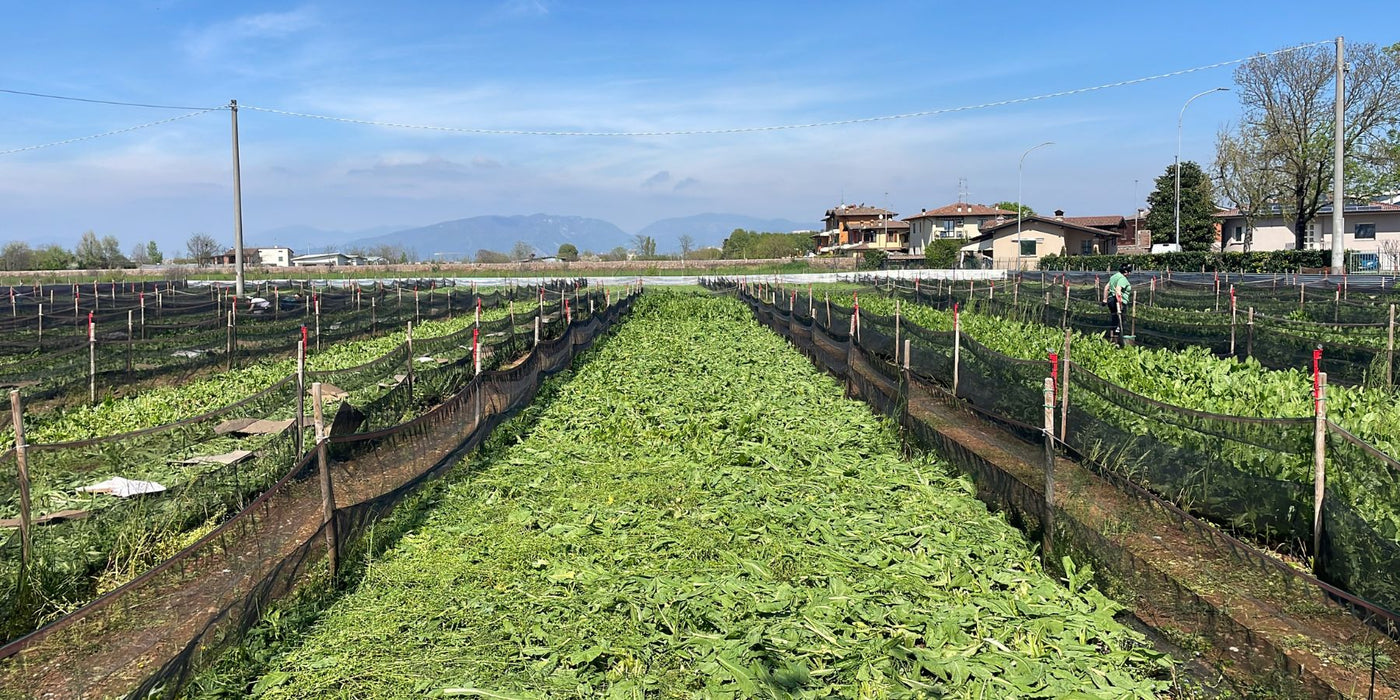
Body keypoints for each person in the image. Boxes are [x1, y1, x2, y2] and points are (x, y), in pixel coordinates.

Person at [1103, 263, 1133, 345]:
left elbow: (1106, 287)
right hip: (1118, 301)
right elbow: (1118, 290)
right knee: (1120, 321)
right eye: (1129, 272)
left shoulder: (1114, 276)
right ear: (1126, 271)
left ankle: (1112, 340)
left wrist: (1105, 299)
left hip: (1110, 300)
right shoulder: (1122, 278)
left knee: (1114, 320)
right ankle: (1118, 342)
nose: (1130, 274)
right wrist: (1120, 304)